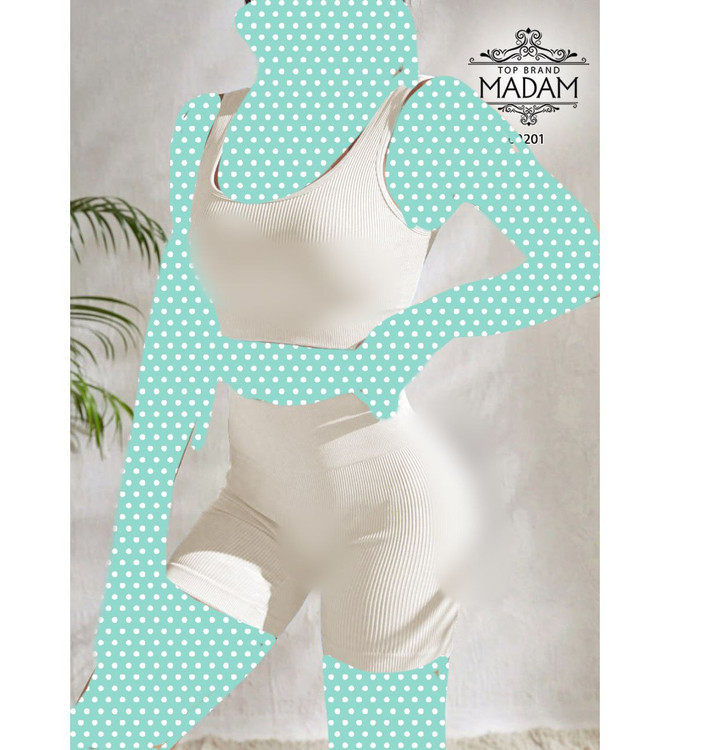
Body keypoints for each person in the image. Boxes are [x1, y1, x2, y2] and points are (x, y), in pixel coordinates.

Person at [70, 1, 599, 748]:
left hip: (393, 517)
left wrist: (428, 324)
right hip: (255, 508)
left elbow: (577, 260)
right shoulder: (207, 126)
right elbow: (179, 349)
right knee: (103, 729)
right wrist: (130, 580)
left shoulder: (424, 119)